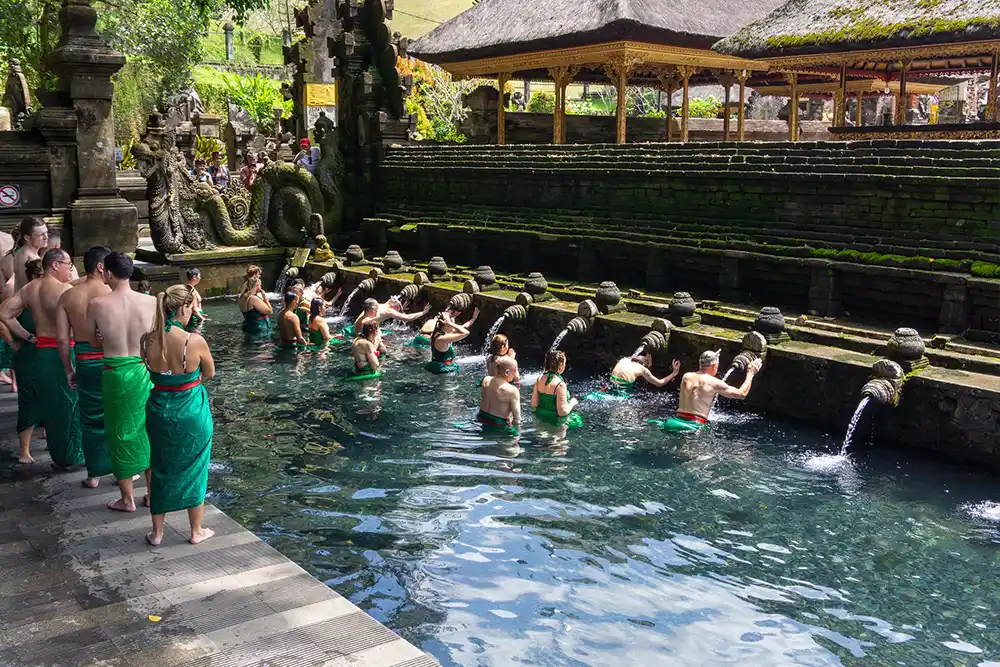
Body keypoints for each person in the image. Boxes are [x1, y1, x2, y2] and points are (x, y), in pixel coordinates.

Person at [142, 285, 216, 546]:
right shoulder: (193, 340)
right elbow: (210, 373)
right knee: (195, 467)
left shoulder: (147, 340)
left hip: (158, 409)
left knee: (159, 466)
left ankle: (157, 533)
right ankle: (196, 531)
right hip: (191, 410)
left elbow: (150, 368)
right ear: (184, 307)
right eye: (191, 308)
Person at [86, 252, 157, 511]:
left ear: (110, 274)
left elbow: (93, 342)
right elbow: (154, 340)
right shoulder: (151, 302)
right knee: (147, 430)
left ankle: (127, 499)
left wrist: (101, 336)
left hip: (115, 373)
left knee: (119, 434)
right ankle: (152, 494)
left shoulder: (97, 304)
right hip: (141, 370)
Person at [0, 248, 82, 467]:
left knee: (52, 405)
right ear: (55, 265)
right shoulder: (66, 290)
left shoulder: (30, 288)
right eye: (68, 265)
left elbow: (4, 312)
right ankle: (72, 456)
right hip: (65, 351)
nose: (70, 270)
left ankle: (59, 455)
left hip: (42, 351)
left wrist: (27, 336)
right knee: (70, 405)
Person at [55, 246, 112, 487]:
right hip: (114, 361)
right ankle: (125, 472)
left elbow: (61, 338)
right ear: (101, 267)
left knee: (90, 418)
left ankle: (94, 474)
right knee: (117, 415)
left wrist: (69, 369)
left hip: (86, 362)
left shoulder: (68, 296)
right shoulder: (113, 292)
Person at [657, 350, 763, 431]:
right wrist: (750, 374)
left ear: (700, 364)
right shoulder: (714, 382)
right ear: (714, 366)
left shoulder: (686, 376)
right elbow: (742, 394)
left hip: (674, 422)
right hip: (693, 426)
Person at [587, 353, 682, 400]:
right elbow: (659, 383)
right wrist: (674, 373)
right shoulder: (642, 368)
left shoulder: (624, 359)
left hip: (610, 388)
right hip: (621, 394)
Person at [532, 350, 583, 427]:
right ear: (561, 365)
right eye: (565, 363)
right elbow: (562, 412)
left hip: (540, 420)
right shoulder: (560, 385)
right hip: (556, 423)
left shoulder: (539, 379)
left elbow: (534, 404)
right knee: (579, 422)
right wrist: (572, 403)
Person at [479, 356, 521, 431]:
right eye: (515, 370)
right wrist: (516, 438)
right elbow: (517, 420)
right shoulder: (512, 390)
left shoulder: (486, 380)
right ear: (507, 372)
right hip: (498, 425)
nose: (516, 374)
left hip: (481, 418)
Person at [426, 310, 472, 374]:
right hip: (442, 372)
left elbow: (463, 327)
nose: (453, 326)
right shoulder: (442, 338)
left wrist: (474, 318)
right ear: (446, 324)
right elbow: (466, 333)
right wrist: (449, 323)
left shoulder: (438, 333)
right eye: (452, 323)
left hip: (439, 369)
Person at [13, 216, 48, 292]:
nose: (46, 237)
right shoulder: (32, 260)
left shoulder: (20, 252)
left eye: (46, 232)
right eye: (41, 235)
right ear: (27, 237)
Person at [237, 267, 272, 335]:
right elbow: (270, 311)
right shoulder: (253, 299)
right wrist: (264, 296)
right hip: (259, 330)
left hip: (248, 327)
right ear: (257, 285)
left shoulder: (241, 298)